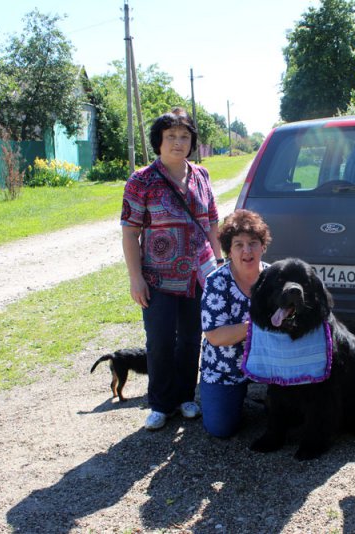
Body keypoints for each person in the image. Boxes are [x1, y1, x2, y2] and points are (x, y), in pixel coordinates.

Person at [121, 108, 223, 431]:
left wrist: (219, 268)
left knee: (191, 339)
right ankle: (160, 404)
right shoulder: (141, 181)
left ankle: (185, 397)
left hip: (197, 277)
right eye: (171, 137)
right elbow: (129, 231)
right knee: (161, 341)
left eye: (184, 136)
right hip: (158, 279)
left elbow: (212, 223)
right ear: (158, 141)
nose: (178, 143)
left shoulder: (202, 176)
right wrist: (135, 277)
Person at [199, 209, 271, 438]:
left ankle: (261, 396)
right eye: (238, 244)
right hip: (225, 366)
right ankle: (237, 397)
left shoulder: (275, 277)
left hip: (270, 365)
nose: (247, 251)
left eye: (253, 243)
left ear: (263, 246)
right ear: (229, 250)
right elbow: (215, 336)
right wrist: (256, 326)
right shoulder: (216, 282)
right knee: (221, 429)